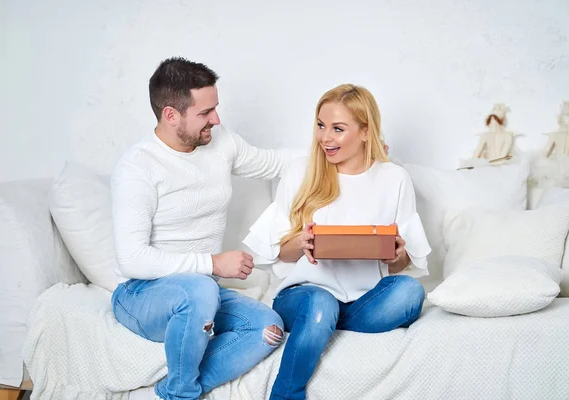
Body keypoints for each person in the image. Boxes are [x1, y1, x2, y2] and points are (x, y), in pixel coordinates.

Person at [110, 57, 298, 400]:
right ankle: (182, 395)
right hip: (140, 295)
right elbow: (131, 260)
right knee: (200, 290)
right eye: (205, 113)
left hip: (201, 295)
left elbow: (276, 162)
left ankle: (177, 390)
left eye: (216, 108)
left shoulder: (221, 142)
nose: (217, 119)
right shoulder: (137, 168)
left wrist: (344, 151)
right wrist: (213, 264)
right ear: (171, 115)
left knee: (267, 328)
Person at [243, 84, 432, 400]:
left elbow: (401, 262)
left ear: (365, 132)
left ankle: (322, 327)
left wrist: (397, 253)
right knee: (321, 303)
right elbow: (276, 254)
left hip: (363, 300)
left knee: (410, 292)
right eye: (320, 125)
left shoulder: (394, 178)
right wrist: (301, 244)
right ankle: (286, 393)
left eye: (337, 129)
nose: (325, 138)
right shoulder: (301, 171)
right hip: (304, 295)